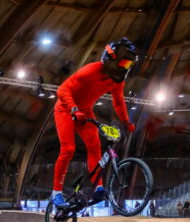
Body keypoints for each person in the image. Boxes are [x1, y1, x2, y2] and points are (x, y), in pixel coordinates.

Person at [50, 38, 138, 207]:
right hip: (66, 109)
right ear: (113, 59)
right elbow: (62, 89)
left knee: (94, 146)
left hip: (85, 111)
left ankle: (98, 188)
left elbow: (118, 103)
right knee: (68, 149)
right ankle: (56, 193)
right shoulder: (90, 70)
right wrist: (74, 109)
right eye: (125, 63)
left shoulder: (116, 81)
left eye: (129, 64)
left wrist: (126, 121)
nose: (126, 68)